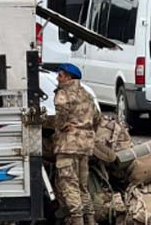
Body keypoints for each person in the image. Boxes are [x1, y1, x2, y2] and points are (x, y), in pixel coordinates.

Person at [53, 63, 97, 225]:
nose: (58, 78)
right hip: (85, 146)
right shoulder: (86, 94)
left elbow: (61, 113)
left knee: (69, 185)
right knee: (82, 186)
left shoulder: (63, 93)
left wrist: (60, 125)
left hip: (68, 146)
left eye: (61, 75)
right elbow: (97, 118)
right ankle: (90, 220)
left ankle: (77, 220)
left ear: (69, 77)